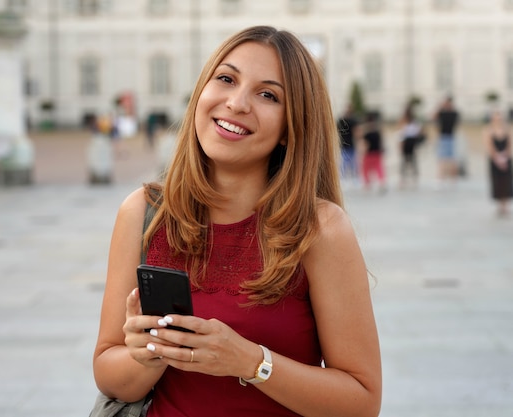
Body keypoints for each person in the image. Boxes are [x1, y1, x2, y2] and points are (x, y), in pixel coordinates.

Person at [92, 26, 382, 417]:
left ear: (290, 127)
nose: (237, 103)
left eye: (268, 94)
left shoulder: (320, 228)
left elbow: (362, 402)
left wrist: (250, 362)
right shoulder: (144, 212)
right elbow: (110, 375)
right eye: (226, 79)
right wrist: (153, 352)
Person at [483, 110, 513, 217]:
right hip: (495, 160)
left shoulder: (507, 130)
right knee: (497, 182)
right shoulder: (489, 130)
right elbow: (489, 146)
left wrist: (505, 157)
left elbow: (509, 145)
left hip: (506, 159)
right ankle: (500, 205)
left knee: (506, 182)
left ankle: (505, 205)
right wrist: (497, 158)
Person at [433, 96, 460, 186]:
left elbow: (434, 117)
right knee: (446, 159)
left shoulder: (452, 113)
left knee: (447, 159)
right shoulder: (452, 113)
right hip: (446, 137)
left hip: (447, 137)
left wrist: (440, 107)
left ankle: (448, 178)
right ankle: (445, 178)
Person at [359, 111, 387, 194]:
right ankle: (382, 183)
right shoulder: (377, 132)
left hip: (369, 153)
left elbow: (365, 144)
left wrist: (362, 152)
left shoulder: (366, 134)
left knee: (366, 169)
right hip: (377, 152)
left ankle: (367, 184)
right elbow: (381, 143)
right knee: (378, 168)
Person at [398, 103, 423, 189]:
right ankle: (408, 177)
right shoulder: (410, 121)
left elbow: (402, 133)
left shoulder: (409, 121)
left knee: (408, 160)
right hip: (410, 141)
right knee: (409, 160)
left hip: (408, 141)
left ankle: (408, 177)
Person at [337, 104, 360, 186]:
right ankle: (354, 179)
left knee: (344, 163)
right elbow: (356, 133)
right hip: (350, 144)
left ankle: (343, 179)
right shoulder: (353, 120)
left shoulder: (340, 120)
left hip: (343, 144)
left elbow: (337, 132)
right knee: (353, 163)